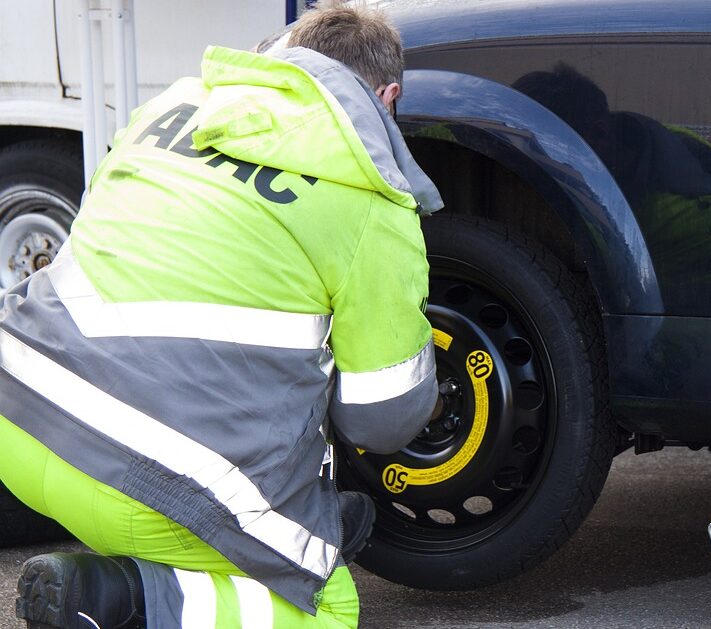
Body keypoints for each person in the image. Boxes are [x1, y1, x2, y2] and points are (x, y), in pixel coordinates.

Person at [0, 2, 443, 627]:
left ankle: (290, 522)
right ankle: (116, 598)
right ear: (387, 95)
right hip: (142, 477)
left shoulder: (173, 105)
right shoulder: (369, 195)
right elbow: (380, 418)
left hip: (19, 414)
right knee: (330, 610)